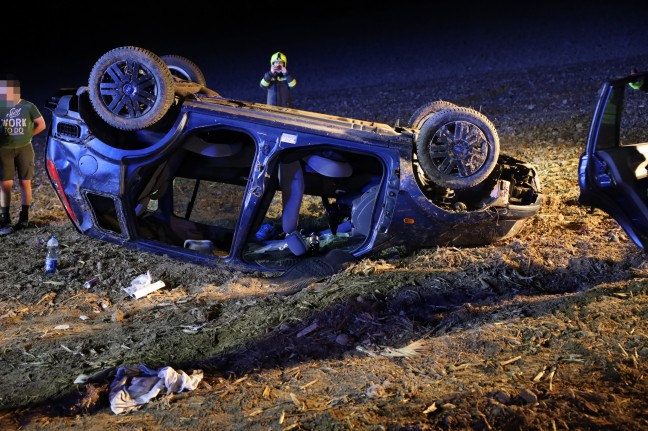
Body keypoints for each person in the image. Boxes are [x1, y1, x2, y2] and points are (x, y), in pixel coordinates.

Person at [0, 77, 46, 235]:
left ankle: (24, 217)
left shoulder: (28, 106)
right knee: (5, 184)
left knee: (25, 182)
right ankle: (4, 217)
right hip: (4, 149)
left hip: (24, 149)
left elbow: (41, 124)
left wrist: (28, 136)